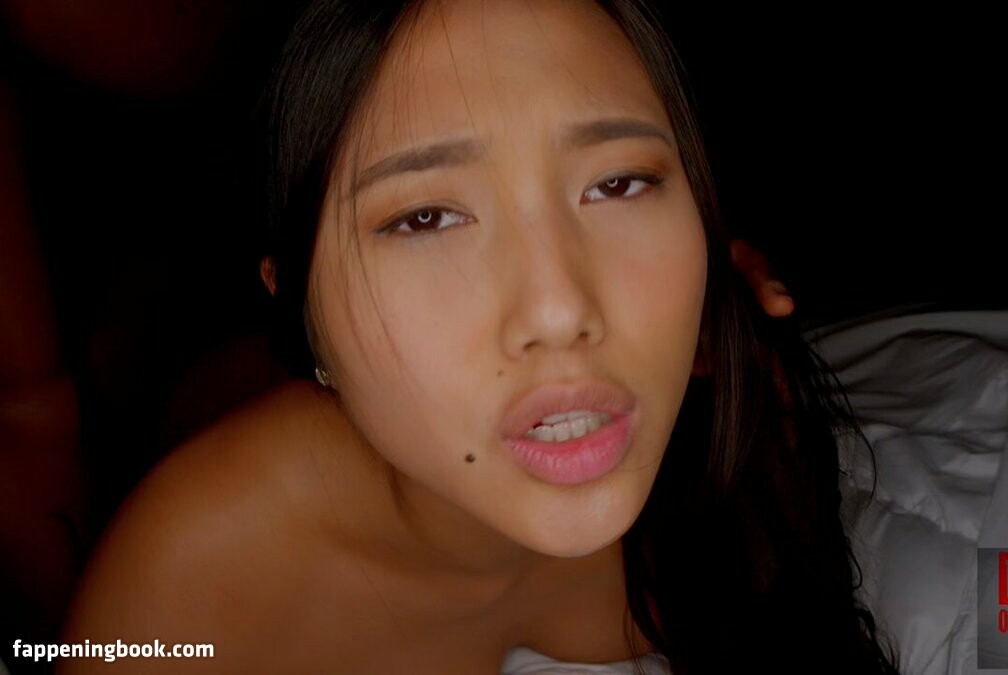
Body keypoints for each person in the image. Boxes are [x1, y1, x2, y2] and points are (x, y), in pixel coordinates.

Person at [60, 0, 899, 672]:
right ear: (297, 310)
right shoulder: (175, 599)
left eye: (618, 184)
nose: (559, 310)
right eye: (426, 218)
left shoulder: (742, 421)